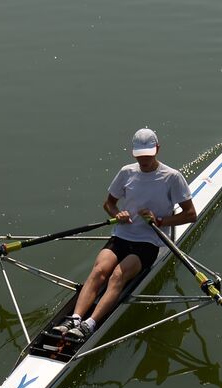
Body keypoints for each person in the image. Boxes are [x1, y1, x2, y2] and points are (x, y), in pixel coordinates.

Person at [52, 127, 196, 341]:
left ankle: (90, 325)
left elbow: (190, 214)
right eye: (140, 156)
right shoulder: (126, 172)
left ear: (157, 149)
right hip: (121, 236)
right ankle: (74, 319)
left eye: (148, 155)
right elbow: (108, 204)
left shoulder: (172, 177)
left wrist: (160, 220)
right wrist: (117, 214)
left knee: (118, 275)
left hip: (149, 242)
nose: (144, 160)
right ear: (133, 153)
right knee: (99, 270)